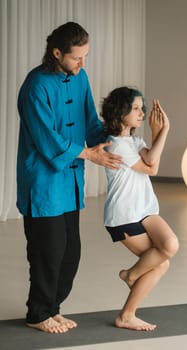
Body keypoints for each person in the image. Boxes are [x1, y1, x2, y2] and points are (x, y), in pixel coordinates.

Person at [16, 22, 121, 334]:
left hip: (70, 181)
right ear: (57, 52)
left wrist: (115, 134)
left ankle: (52, 308)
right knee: (47, 253)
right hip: (43, 181)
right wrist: (89, 154)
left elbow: (89, 121)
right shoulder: (36, 86)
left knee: (69, 254)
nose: (82, 63)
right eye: (77, 58)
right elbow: (47, 140)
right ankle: (38, 313)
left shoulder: (80, 77)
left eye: (86, 57)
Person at [101, 87, 179, 331]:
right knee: (163, 260)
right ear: (120, 111)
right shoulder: (115, 145)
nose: (142, 112)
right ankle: (127, 310)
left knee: (168, 249)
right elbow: (151, 168)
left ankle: (130, 281)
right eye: (135, 108)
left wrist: (158, 134)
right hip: (124, 215)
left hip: (145, 209)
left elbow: (151, 161)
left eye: (141, 108)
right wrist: (163, 131)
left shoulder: (135, 141)